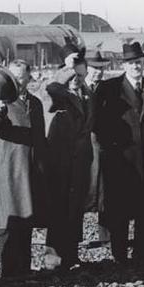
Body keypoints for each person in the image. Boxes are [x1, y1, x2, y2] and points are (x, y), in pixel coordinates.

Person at [92, 42, 144, 264]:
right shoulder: (110, 88)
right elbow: (99, 123)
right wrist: (111, 151)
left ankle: (143, 253)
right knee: (120, 208)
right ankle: (120, 254)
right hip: (121, 159)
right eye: (132, 63)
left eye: (139, 62)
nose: (136, 66)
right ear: (124, 65)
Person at [0, 63, 48, 277]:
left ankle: (24, 269)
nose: (19, 81)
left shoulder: (35, 104)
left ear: (29, 77)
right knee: (8, 217)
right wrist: (0, 110)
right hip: (8, 168)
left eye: (22, 77)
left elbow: (40, 138)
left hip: (30, 168)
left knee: (26, 215)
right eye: (14, 77)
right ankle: (10, 272)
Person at [43, 49, 97, 269]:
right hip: (60, 161)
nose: (77, 80)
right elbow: (51, 87)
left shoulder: (88, 95)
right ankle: (53, 258)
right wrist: (67, 68)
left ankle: (71, 254)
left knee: (75, 208)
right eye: (74, 75)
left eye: (81, 76)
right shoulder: (59, 94)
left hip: (81, 160)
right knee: (58, 208)